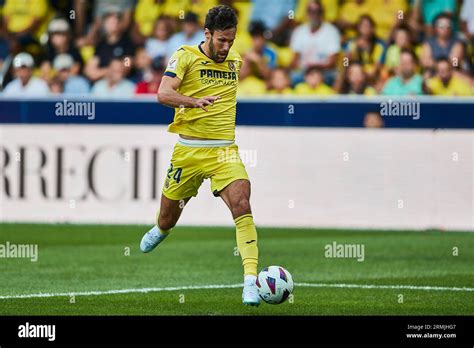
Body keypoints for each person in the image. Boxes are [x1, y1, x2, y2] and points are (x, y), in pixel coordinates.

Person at [139, 5, 261, 306]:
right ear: (207, 34)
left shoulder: (235, 60)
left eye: (230, 40)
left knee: (242, 201)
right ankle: (161, 229)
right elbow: (163, 94)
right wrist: (193, 102)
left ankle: (250, 281)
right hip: (189, 151)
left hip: (224, 150)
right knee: (168, 217)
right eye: (221, 40)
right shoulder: (184, 56)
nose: (226, 46)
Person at [290, 0, 341, 85]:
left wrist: (314, 67)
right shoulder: (299, 31)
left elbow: (332, 62)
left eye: (318, 11)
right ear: (306, 13)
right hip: (304, 72)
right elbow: (295, 59)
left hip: (324, 72)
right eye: (311, 11)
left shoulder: (332, 31)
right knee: (289, 77)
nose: (314, 15)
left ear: (322, 13)